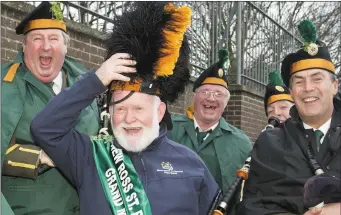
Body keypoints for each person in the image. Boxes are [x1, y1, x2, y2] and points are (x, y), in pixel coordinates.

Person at [30, 2, 220, 215]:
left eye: (138, 108)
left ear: (158, 112)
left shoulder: (191, 164)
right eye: (119, 109)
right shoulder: (89, 156)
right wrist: (97, 80)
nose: (129, 118)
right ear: (109, 113)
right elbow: (44, 128)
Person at [1, 2, 100, 214]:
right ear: (24, 46)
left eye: (54, 39)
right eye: (37, 38)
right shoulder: (3, 85)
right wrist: (38, 156)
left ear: (65, 47)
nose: (46, 46)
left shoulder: (86, 85)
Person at [236, 20, 341, 215]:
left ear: (334, 86)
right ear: (292, 92)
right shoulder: (270, 143)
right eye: (299, 81)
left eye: (317, 78)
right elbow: (252, 207)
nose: (308, 88)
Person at [168, 49, 252, 195]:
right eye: (205, 92)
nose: (211, 98)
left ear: (226, 102)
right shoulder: (168, 129)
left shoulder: (241, 143)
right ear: (194, 97)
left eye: (218, 94)